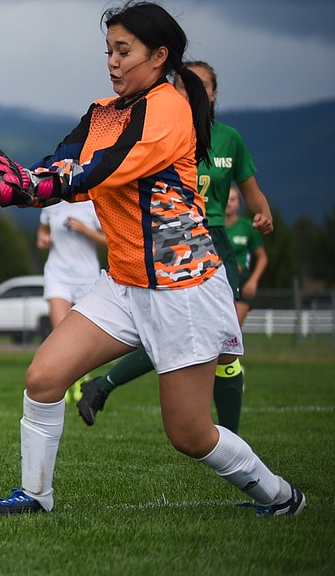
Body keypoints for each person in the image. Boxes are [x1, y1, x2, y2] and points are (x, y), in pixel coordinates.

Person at [0, 0, 303, 516]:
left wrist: (42, 184)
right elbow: (65, 163)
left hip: (182, 289)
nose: (111, 61)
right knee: (43, 379)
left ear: (160, 56)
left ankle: (283, 497)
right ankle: (35, 497)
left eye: (123, 50)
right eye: (108, 50)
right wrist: (15, 190)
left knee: (191, 434)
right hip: (126, 282)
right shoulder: (104, 112)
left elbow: (104, 168)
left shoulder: (169, 111)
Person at [77, 59, 273, 434]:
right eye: (183, 86)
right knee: (177, 334)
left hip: (215, 243)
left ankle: (231, 442)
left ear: (213, 95)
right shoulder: (159, 132)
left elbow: (252, 192)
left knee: (223, 345)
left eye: (200, 87)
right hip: (168, 244)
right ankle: (105, 385)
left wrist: (262, 212)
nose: (191, 93)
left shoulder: (228, 138)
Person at [36, 201, 105, 401]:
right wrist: (43, 238)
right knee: (61, 334)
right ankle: (64, 383)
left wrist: (85, 230)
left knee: (82, 337)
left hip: (87, 276)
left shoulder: (92, 203)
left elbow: (110, 240)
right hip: (58, 274)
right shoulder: (50, 204)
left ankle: (82, 380)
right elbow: (42, 232)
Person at [225, 183, 268, 326]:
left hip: (241, 280)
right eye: (226, 198)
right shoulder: (212, 226)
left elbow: (262, 257)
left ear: (239, 204)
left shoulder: (247, 227)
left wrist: (253, 280)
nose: (228, 203)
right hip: (218, 279)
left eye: (233, 200)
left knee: (234, 327)